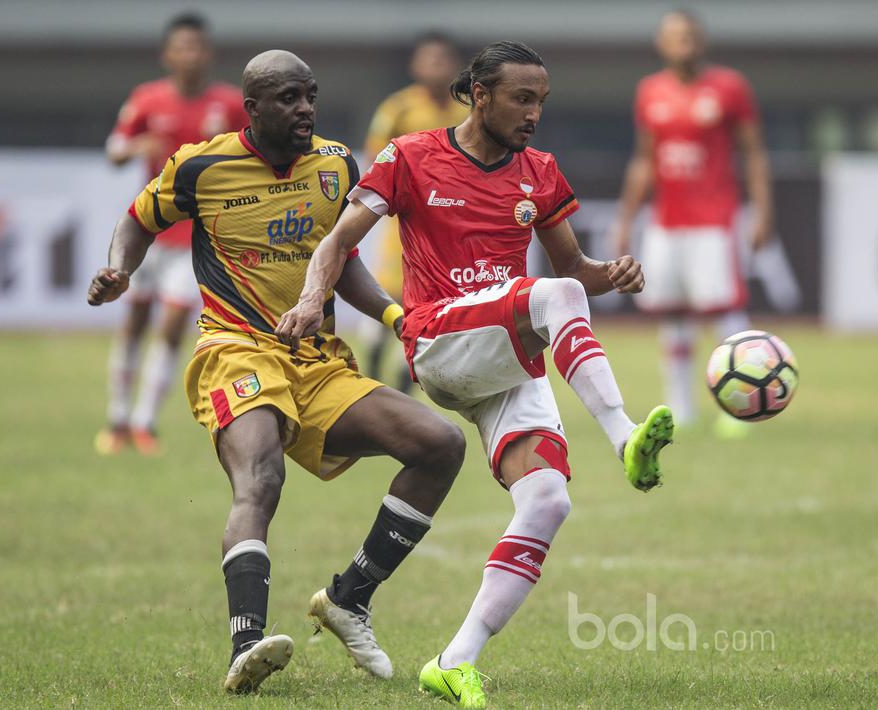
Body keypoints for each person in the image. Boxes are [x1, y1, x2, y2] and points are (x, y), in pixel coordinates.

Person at [278, 41, 675, 708]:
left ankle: (454, 660)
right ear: (479, 95)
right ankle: (623, 436)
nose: (533, 113)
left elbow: (576, 272)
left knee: (547, 501)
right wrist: (314, 297)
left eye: (541, 101)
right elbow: (337, 242)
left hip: (501, 351)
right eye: (522, 99)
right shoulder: (410, 156)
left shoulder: (538, 171)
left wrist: (614, 274)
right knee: (550, 296)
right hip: (439, 338)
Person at [87, 50, 466, 695]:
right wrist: (120, 269)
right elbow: (138, 219)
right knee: (261, 477)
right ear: (253, 109)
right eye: (289, 99)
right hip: (236, 351)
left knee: (440, 444)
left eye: (310, 95)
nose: (305, 109)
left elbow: (341, 259)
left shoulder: (336, 164)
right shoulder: (200, 166)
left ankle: (350, 598)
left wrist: (395, 315)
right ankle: (247, 646)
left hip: (315, 362)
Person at [609, 8, 775, 437]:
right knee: (672, 314)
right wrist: (625, 218)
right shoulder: (650, 91)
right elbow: (644, 159)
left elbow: (753, 153)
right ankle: (681, 409)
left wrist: (763, 210)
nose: (685, 42)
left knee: (723, 310)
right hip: (666, 220)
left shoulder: (729, 87)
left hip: (714, 220)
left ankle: (740, 408)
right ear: (661, 44)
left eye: (691, 35)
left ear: (702, 42)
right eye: (676, 35)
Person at [96, 12, 248, 455]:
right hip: (149, 232)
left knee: (173, 325)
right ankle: (117, 418)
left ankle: (144, 423)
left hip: (197, 238)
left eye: (197, 47)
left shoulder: (229, 104)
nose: (190, 55)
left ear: (209, 54)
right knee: (135, 321)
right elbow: (114, 150)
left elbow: (252, 153)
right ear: (168, 55)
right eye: (182, 47)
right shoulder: (147, 99)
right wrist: (135, 147)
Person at [361, 32, 470, 393]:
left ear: (455, 66)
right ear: (415, 66)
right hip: (404, 222)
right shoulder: (398, 109)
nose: (436, 66)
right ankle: (372, 364)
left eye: (443, 59)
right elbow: (375, 157)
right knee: (390, 294)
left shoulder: (467, 110)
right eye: (429, 59)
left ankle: (403, 387)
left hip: (447, 226)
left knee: (427, 307)